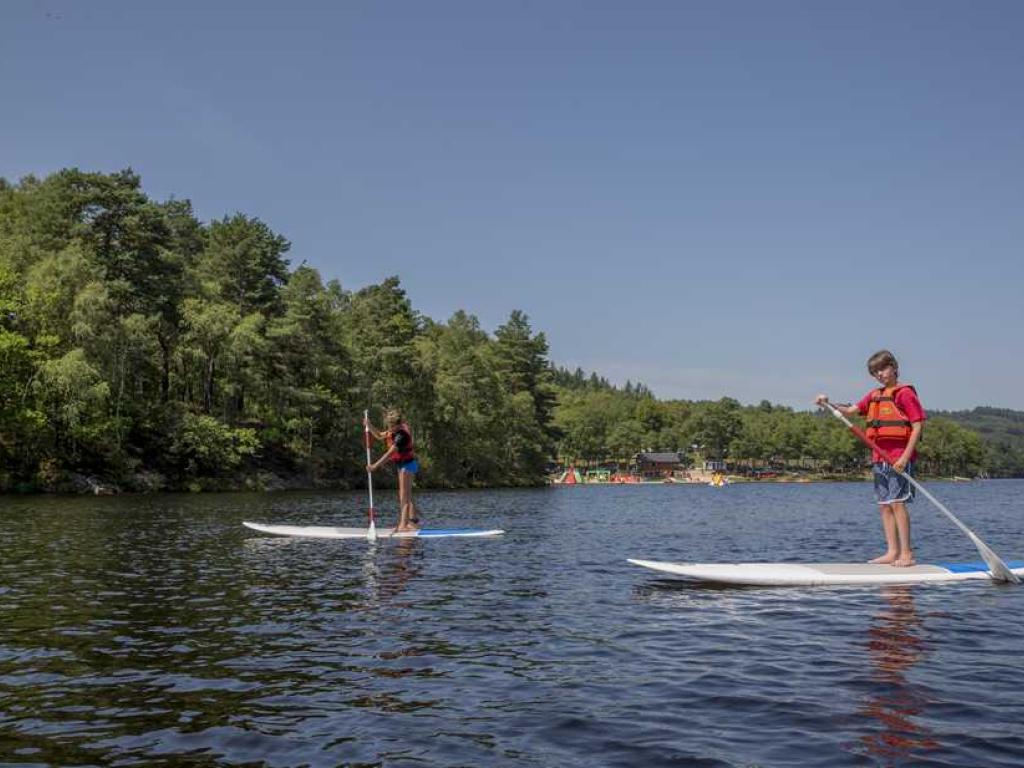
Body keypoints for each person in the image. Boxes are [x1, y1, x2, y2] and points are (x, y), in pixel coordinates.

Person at [816, 350, 926, 567]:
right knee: (884, 505)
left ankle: (906, 554)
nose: (880, 375)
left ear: (893, 367)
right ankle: (892, 552)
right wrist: (828, 404)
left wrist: (905, 457)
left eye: (883, 369)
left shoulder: (904, 394)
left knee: (897, 503)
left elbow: (917, 425)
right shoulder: (875, 395)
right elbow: (851, 410)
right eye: (875, 372)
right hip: (880, 458)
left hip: (898, 459)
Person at [365, 408, 420, 532]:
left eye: (391, 426)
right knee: (407, 495)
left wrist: (374, 466)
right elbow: (379, 435)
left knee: (403, 496)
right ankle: (413, 523)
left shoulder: (402, 435)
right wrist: (369, 425)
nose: (390, 429)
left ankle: (403, 525)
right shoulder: (395, 430)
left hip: (408, 465)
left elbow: (389, 454)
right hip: (403, 465)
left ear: (398, 424)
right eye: (389, 426)